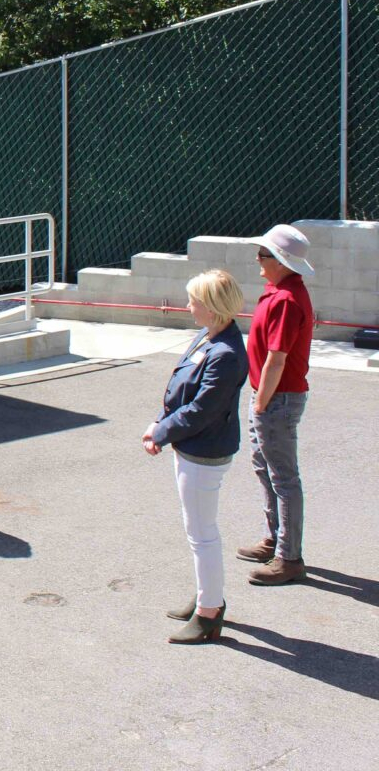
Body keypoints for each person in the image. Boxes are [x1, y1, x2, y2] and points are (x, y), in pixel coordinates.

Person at [141, 269, 249, 644]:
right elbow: (179, 387)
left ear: (212, 306)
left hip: (205, 452)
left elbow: (202, 410)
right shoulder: (208, 337)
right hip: (189, 446)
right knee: (197, 531)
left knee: (203, 535)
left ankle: (209, 612)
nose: (188, 307)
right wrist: (160, 422)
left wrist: (161, 431)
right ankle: (207, 594)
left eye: (194, 301)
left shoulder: (227, 354)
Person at [238, 224, 316, 585]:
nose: (258, 259)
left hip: (276, 398)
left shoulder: (286, 299)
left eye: (264, 254)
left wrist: (260, 403)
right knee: (266, 470)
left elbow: (277, 358)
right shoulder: (279, 291)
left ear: (282, 261)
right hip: (270, 396)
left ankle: (289, 557)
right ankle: (276, 540)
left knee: (283, 477)